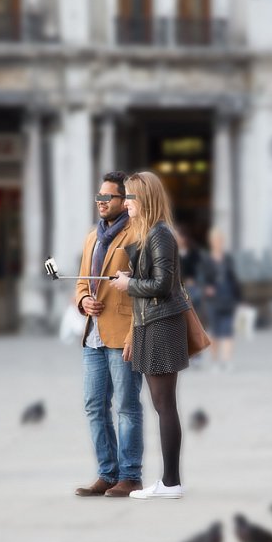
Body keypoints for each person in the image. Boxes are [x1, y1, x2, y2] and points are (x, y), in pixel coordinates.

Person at [112, 171, 190, 500]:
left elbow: (163, 285)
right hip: (150, 325)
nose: (125, 203)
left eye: (130, 197)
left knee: (164, 405)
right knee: (162, 405)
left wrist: (128, 284)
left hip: (161, 325)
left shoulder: (161, 235)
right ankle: (169, 481)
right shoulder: (148, 234)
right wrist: (131, 273)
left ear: (145, 200)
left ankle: (171, 482)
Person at [73, 172, 144, 498]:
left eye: (108, 198)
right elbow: (82, 282)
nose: (101, 203)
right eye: (98, 197)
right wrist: (83, 300)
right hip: (93, 336)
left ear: (123, 200)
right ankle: (107, 473)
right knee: (94, 405)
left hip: (123, 332)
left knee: (127, 406)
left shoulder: (136, 235)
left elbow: (144, 289)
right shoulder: (92, 237)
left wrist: (134, 333)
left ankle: (130, 476)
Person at [202, 227, 242, 371]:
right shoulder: (206, 260)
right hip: (213, 300)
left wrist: (239, 298)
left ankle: (227, 360)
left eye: (220, 240)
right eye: (216, 240)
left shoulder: (228, 259)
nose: (218, 243)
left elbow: (234, 279)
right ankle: (215, 362)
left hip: (228, 297)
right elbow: (203, 279)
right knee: (215, 332)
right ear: (211, 242)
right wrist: (206, 288)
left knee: (228, 331)